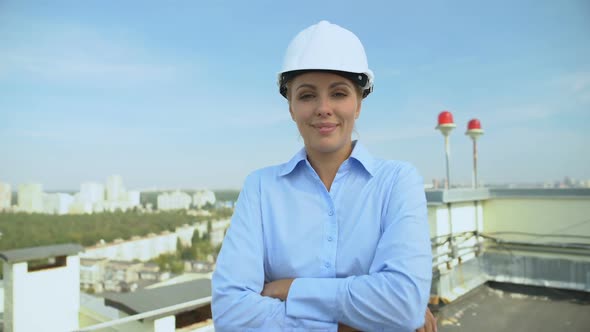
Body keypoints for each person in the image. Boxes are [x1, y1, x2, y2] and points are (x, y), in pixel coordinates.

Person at [212, 21, 435, 332]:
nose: (323, 108)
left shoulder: (397, 181)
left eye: (339, 93)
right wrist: (362, 322)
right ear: (290, 107)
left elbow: (402, 305)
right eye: (306, 96)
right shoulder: (261, 188)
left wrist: (290, 288)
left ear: (358, 104)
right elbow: (231, 313)